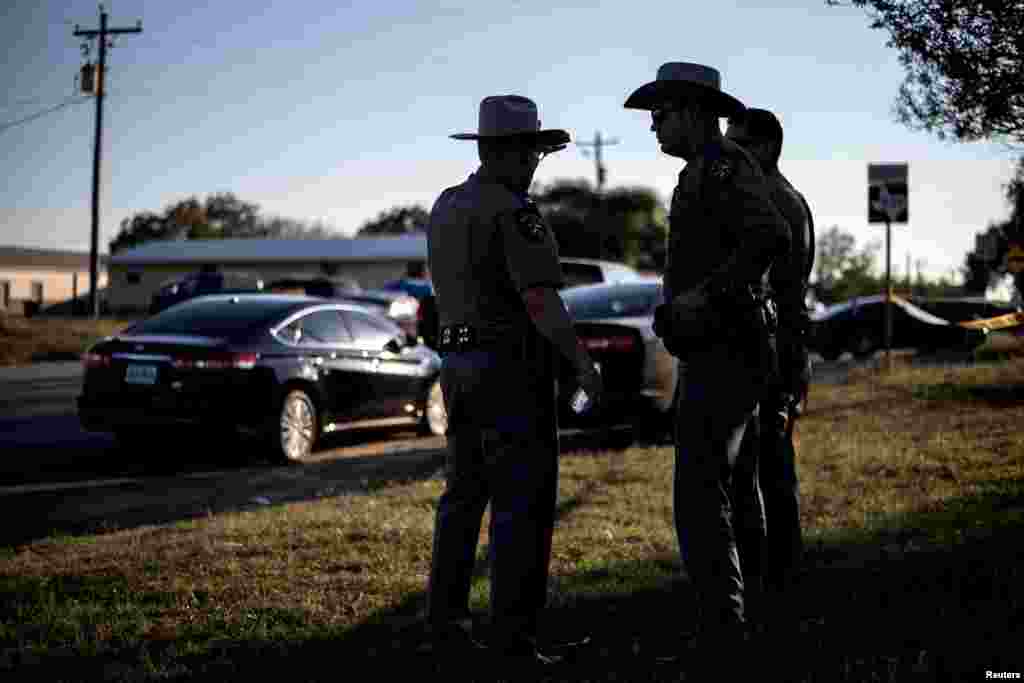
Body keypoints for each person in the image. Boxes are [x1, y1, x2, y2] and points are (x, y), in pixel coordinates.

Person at [425, 94, 603, 669]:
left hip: (456, 368)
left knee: (461, 499)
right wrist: (580, 360)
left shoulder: (447, 205)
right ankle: (514, 642)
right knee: (521, 508)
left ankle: (447, 627)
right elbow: (539, 298)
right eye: (531, 152)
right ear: (510, 151)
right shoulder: (513, 210)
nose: (534, 164)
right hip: (508, 371)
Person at [624, 63, 791, 670]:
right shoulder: (699, 172)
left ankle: (723, 634)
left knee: (700, 494)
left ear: (694, 111)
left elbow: (770, 238)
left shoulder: (725, 166)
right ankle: (747, 621)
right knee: (732, 491)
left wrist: (703, 298)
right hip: (712, 349)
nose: (654, 127)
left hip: (728, 352)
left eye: (661, 114)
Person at [726, 108, 815, 632]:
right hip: (786, 344)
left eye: (739, 144)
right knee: (771, 466)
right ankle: (781, 573)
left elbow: (774, 289)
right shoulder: (794, 198)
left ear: (763, 147)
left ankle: (772, 577)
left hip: (774, 347)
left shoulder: (774, 202)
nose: (732, 154)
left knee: (764, 468)